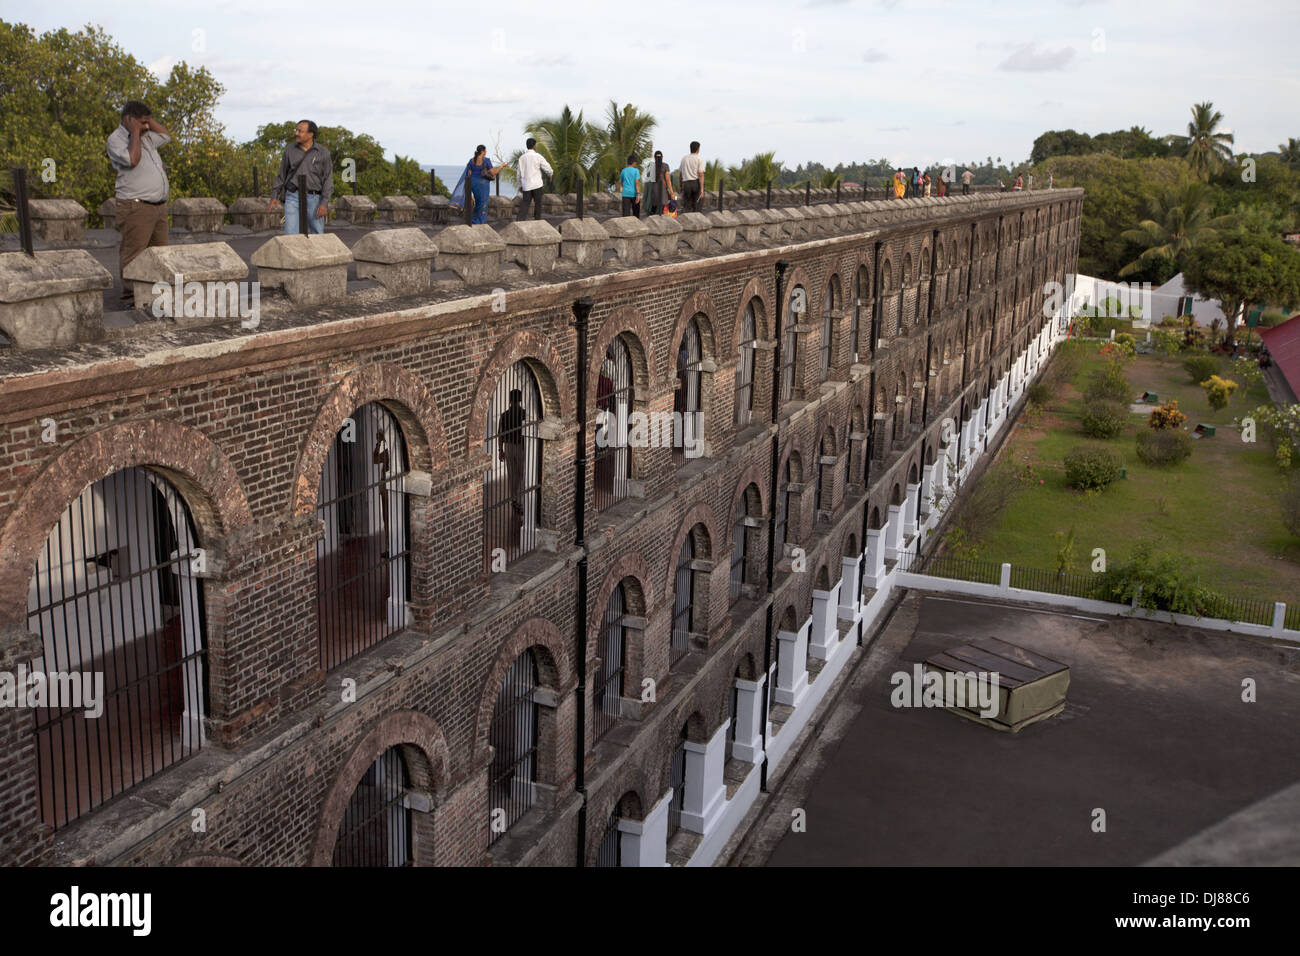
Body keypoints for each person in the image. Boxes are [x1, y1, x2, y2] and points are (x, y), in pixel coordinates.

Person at [106, 100, 171, 308]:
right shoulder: (116, 140)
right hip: (135, 206)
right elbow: (132, 159)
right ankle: (131, 298)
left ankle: (155, 296)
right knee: (134, 253)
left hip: (157, 207)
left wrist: (147, 121)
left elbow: (166, 136)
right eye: (141, 123)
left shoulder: (148, 137)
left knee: (160, 254)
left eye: (147, 123)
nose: (146, 127)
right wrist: (134, 132)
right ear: (128, 119)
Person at [269, 119, 332, 235]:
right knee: (291, 235)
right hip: (293, 196)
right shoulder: (289, 150)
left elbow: (328, 179)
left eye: (300, 131)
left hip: (314, 198)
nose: (296, 133)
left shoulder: (323, 152)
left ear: (310, 134)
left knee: (317, 234)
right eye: (296, 130)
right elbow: (282, 174)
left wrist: (324, 203)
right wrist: (274, 196)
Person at [497, 388, 528, 540]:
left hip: (508, 446)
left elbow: (500, 434)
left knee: (512, 475)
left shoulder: (504, 415)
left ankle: (514, 499)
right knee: (522, 474)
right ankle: (520, 500)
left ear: (510, 400)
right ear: (520, 400)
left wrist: (500, 450)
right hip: (521, 446)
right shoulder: (524, 414)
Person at [451, 145, 506, 224]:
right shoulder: (486, 161)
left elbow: (469, 174)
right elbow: (493, 173)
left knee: (478, 202)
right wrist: (501, 166)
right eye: (485, 150)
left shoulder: (471, 161)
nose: (486, 152)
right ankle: (479, 221)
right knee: (483, 203)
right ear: (483, 151)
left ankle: (474, 220)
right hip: (483, 185)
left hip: (473, 184)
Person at [516, 137, 553, 221]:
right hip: (537, 184)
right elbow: (546, 166)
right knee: (538, 204)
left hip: (526, 185)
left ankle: (519, 221)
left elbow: (518, 174)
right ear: (534, 146)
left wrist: (520, 185)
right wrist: (550, 174)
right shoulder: (538, 156)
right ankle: (537, 221)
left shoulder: (521, 158)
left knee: (525, 204)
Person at [646, 149, 677, 215]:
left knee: (653, 215)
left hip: (653, 195)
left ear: (654, 158)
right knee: (662, 214)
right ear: (662, 157)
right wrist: (672, 193)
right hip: (663, 195)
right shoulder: (665, 166)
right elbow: (668, 181)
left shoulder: (650, 167)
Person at [679, 141, 703, 212]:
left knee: (686, 205)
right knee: (696, 205)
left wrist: (680, 186)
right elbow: (701, 174)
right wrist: (702, 189)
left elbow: (681, 174)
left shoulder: (684, 159)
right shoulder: (699, 159)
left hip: (686, 183)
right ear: (698, 149)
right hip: (696, 183)